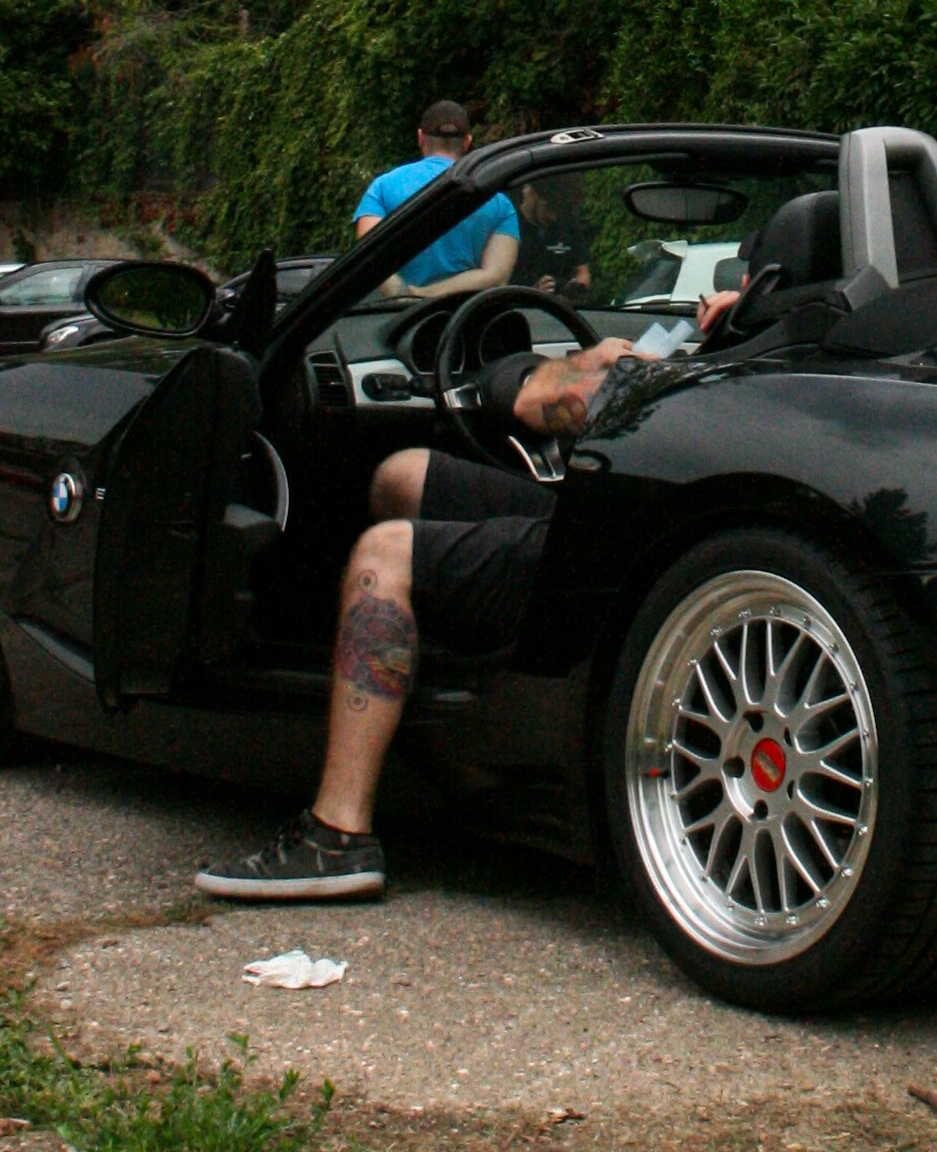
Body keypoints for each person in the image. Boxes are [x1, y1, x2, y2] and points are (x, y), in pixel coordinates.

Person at [195, 330, 637, 901]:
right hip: (603, 512)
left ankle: (336, 836)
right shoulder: (757, 318)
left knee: (381, 559)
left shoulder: (749, 321)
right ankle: (473, 777)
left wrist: (593, 362)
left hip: (606, 543)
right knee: (401, 475)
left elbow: (525, 399)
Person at [354, 95, 521, 298]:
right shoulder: (498, 202)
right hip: (465, 319)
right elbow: (496, 276)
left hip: (397, 321)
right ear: (467, 142)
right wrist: (427, 294)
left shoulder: (381, 187)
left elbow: (368, 257)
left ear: (420, 138)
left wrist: (402, 296)